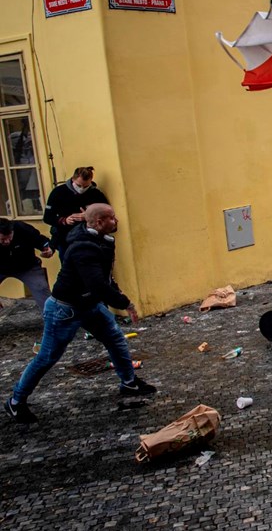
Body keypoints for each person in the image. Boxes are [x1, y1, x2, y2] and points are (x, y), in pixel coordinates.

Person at [5, 204, 156, 424]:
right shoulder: (83, 248)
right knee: (47, 357)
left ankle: (129, 382)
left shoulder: (100, 241)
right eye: (111, 218)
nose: (116, 221)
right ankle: (16, 402)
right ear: (98, 222)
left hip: (89, 305)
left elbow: (104, 279)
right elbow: (96, 284)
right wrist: (125, 303)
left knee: (115, 339)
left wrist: (116, 293)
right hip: (64, 309)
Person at [43, 166, 110, 257]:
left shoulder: (96, 194)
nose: (81, 189)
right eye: (78, 185)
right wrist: (65, 220)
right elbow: (47, 217)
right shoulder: (58, 192)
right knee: (69, 268)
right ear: (73, 179)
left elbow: (108, 214)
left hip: (90, 239)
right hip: (65, 238)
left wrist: (89, 215)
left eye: (86, 186)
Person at [0, 218, 54, 311]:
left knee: (40, 287)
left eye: (9, 237)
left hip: (27, 266)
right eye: (2, 239)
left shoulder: (21, 228)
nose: (7, 241)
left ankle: (52, 318)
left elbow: (40, 240)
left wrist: (47, 249)